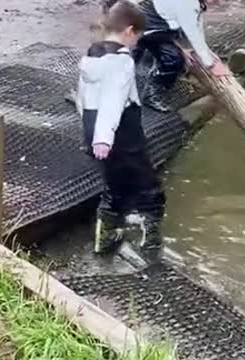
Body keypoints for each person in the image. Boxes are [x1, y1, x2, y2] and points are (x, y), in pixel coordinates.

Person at [76, 0, 166, 256]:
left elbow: (85, 98)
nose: (137, 43)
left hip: (93, 129)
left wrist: (93, 136)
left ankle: (104, 239)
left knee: (113, 184)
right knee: (148, 184)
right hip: (122, 132)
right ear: (129, 31)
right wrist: (105, 138)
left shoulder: (92, 55)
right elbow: (113, 100)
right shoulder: (122, 61)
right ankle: (151, 241)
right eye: (137, 36)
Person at [103, 0, 230, 112]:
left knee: (134, 54)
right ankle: (151, 93)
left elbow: (196, 26)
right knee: (173, 59)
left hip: (149, 21)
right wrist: (211, 65)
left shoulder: (196, 4)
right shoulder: (188, 4)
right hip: (145, 26)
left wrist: (207, 52)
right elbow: (192, 32)